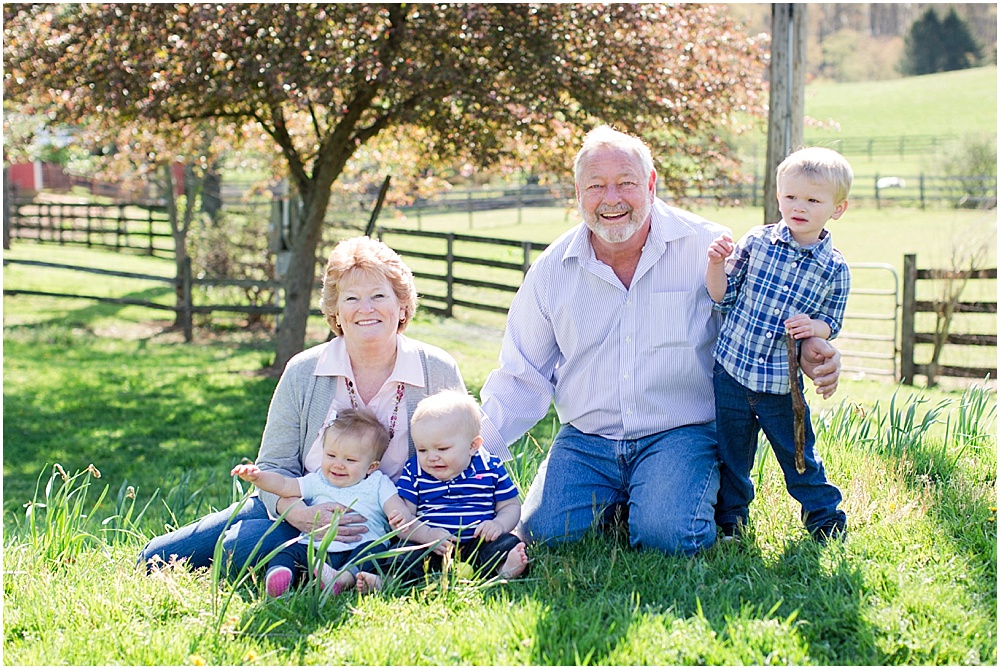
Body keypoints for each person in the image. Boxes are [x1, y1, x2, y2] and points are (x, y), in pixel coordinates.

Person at [477, 125, 842, 557]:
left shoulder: (708, 245)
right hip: (587, 437)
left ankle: (651, 503)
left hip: (679, 432)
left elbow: (757, 319)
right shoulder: (552, 271)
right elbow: (522, 375)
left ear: (650, 184)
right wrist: (469, 456)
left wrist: (808, 352)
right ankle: (623, 504)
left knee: (669, 538)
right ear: (578, 193)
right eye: (596, 186)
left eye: (626, 183)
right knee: (543, 537)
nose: (611, 198)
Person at [138, 236, 468, 574]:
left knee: (400, 561)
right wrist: (299, 514)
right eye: (352, 298)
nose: (366, 308)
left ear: (402, 306)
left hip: (393, 526)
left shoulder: (436, 369)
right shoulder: (303, 371)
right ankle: (301, 563)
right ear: (336, 312)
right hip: (302, 506)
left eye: (379, 295)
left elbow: (469, 453)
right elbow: (275, 465)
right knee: (155, 560)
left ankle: (318, 570)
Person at [705, 146, 852, 543]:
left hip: (780, 385)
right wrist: (715, 265)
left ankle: (824, 517)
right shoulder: (758, 242)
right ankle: (730, 521)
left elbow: (831, 323)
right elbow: (723, 296)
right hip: (731, 373)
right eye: (790, 197)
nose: (798, 206)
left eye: (812, 200)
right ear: (778, 195)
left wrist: (813, 327)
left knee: (798, 454)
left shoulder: (834, 268)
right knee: (732, 456)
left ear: (837, 209)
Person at [230, 408, 417, 597]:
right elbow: (285, 485)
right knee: (289, 550)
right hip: (316, 548)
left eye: (350, 459)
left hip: (360, 545)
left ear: (371, 466)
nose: (338, 464)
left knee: (373, 552)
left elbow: (394, 504)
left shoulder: (377, 482)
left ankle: (343, 579)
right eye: (331, 456)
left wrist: (398, 515)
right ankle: (280, 576)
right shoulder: (318, 480)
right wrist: (258, 477)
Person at [377, 390, 529, 583]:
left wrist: (498, 525)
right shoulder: (415, 470)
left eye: (442, 449)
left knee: (507, 543)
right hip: (432, 546)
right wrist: (426, 535)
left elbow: (510, 506)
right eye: (422, 449)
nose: (431, 457)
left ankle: (503, 569)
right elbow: (407, 519)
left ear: (473, 445)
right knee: (401, 552)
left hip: (479, 541)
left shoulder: (490, 467)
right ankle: (389, 580)